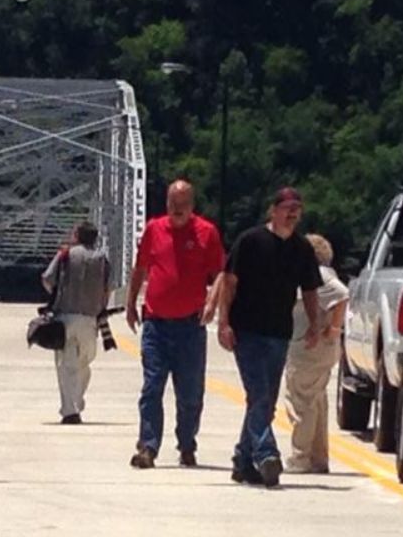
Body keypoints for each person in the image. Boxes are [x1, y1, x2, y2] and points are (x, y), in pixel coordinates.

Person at [216, 187, 322, 487]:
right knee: (260, 394)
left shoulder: (302, 249)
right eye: (287, 207)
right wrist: (223, 322)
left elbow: (311, 290)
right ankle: (266, 454)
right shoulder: (250, 241)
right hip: (246, 330)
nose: (292, 214)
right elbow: (229, 283)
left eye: (297, 209)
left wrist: (314, 325)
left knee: (263, 400)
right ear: (273, 211)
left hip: (279, 332)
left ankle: (242, 460)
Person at [126, 179, 226, 469]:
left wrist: (212, 302)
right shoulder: (154, 229)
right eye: (172, 204)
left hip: (190, 326)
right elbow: (140, 268)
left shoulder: (206, 233)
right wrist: (132, 302)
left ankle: (186, 444)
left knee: (190, 392)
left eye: (183, 204)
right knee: (151, 387)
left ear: (192, 205)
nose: (177, 209)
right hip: (156, 323)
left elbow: (220, 272)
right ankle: (148, 446)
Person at [282, 234, 349, 473]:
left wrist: (334, 328)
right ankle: (318, 459)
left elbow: (341, 294)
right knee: (316, 402)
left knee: (301, 402)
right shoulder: (319, 274)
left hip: (309, 348)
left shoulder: (317, 275)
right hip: (319, 349)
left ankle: (300, 459)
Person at [42, 222, 110, 425]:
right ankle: (72, 407)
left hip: (65, 317)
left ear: (77, 235)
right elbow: (107, 290)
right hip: (90, 319)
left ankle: (72, 407)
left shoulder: (65, 255)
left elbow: (47, 278)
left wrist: (57, 295)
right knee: (84, 363)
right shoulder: (103, 259)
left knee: (65, 365)